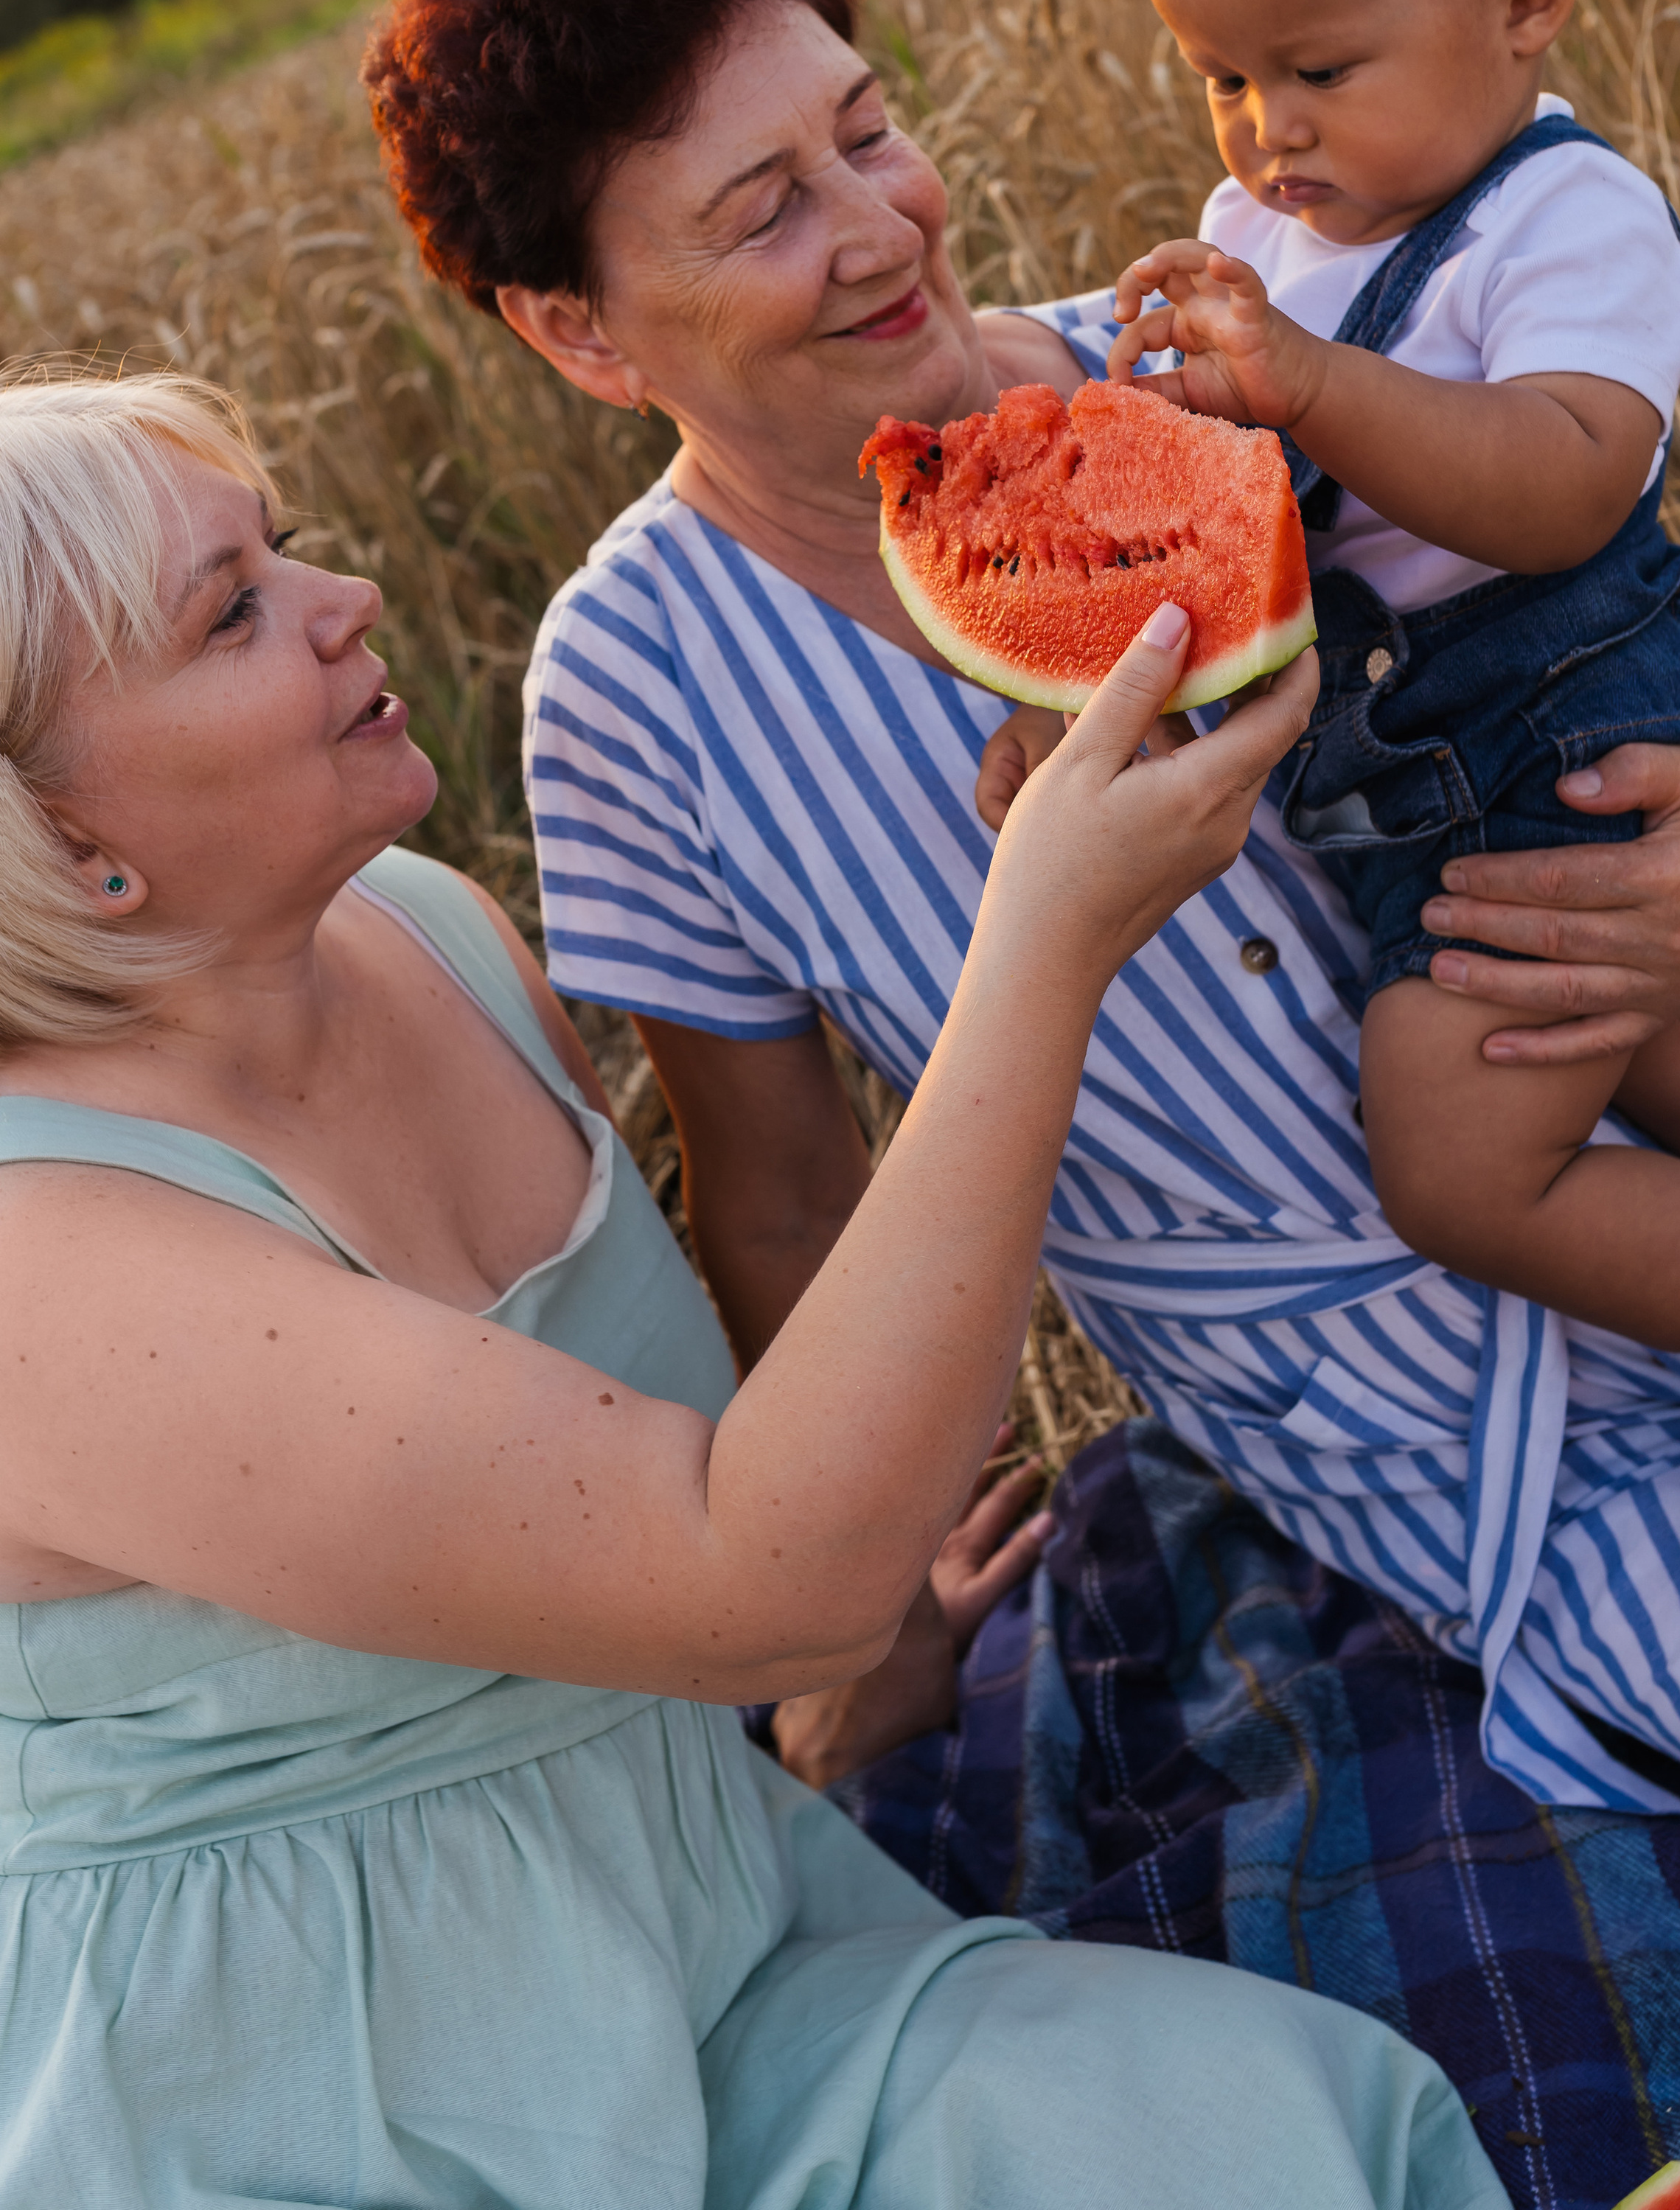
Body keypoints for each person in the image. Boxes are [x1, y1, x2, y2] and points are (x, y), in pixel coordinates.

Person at [360, 0, 1680, 1886]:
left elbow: (1605, 621)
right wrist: (867, 1639)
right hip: (1444, 1414)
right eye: (762, 210)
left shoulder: (1230, 355)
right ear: (587, 334)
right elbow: (787, 1221)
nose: (882, 225)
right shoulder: (634, 696)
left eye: (867, 129)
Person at [0, 366, 1504, 2210]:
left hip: (714, 1922)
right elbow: (759, 1571)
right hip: (330, 2099)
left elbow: (640, 1511)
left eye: (284, 552)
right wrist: (1041, 935)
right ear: (60, 843)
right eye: (232, 613)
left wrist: (832, 1671)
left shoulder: (426, 932)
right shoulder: (38, 1266)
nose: (348, 604)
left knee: (1296, 2127)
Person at [999, 0, 1680, 1600]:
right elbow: (1235, 528)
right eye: (1223, 76)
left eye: (1317, 69)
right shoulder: (1265, 242)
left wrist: (1303, 384)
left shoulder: (1565, 221)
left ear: (1526, 2)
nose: (1262, 129)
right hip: (1421, 766)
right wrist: (1090, 669)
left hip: (1567, 723)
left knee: (1462, 1176)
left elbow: (1565, 478)